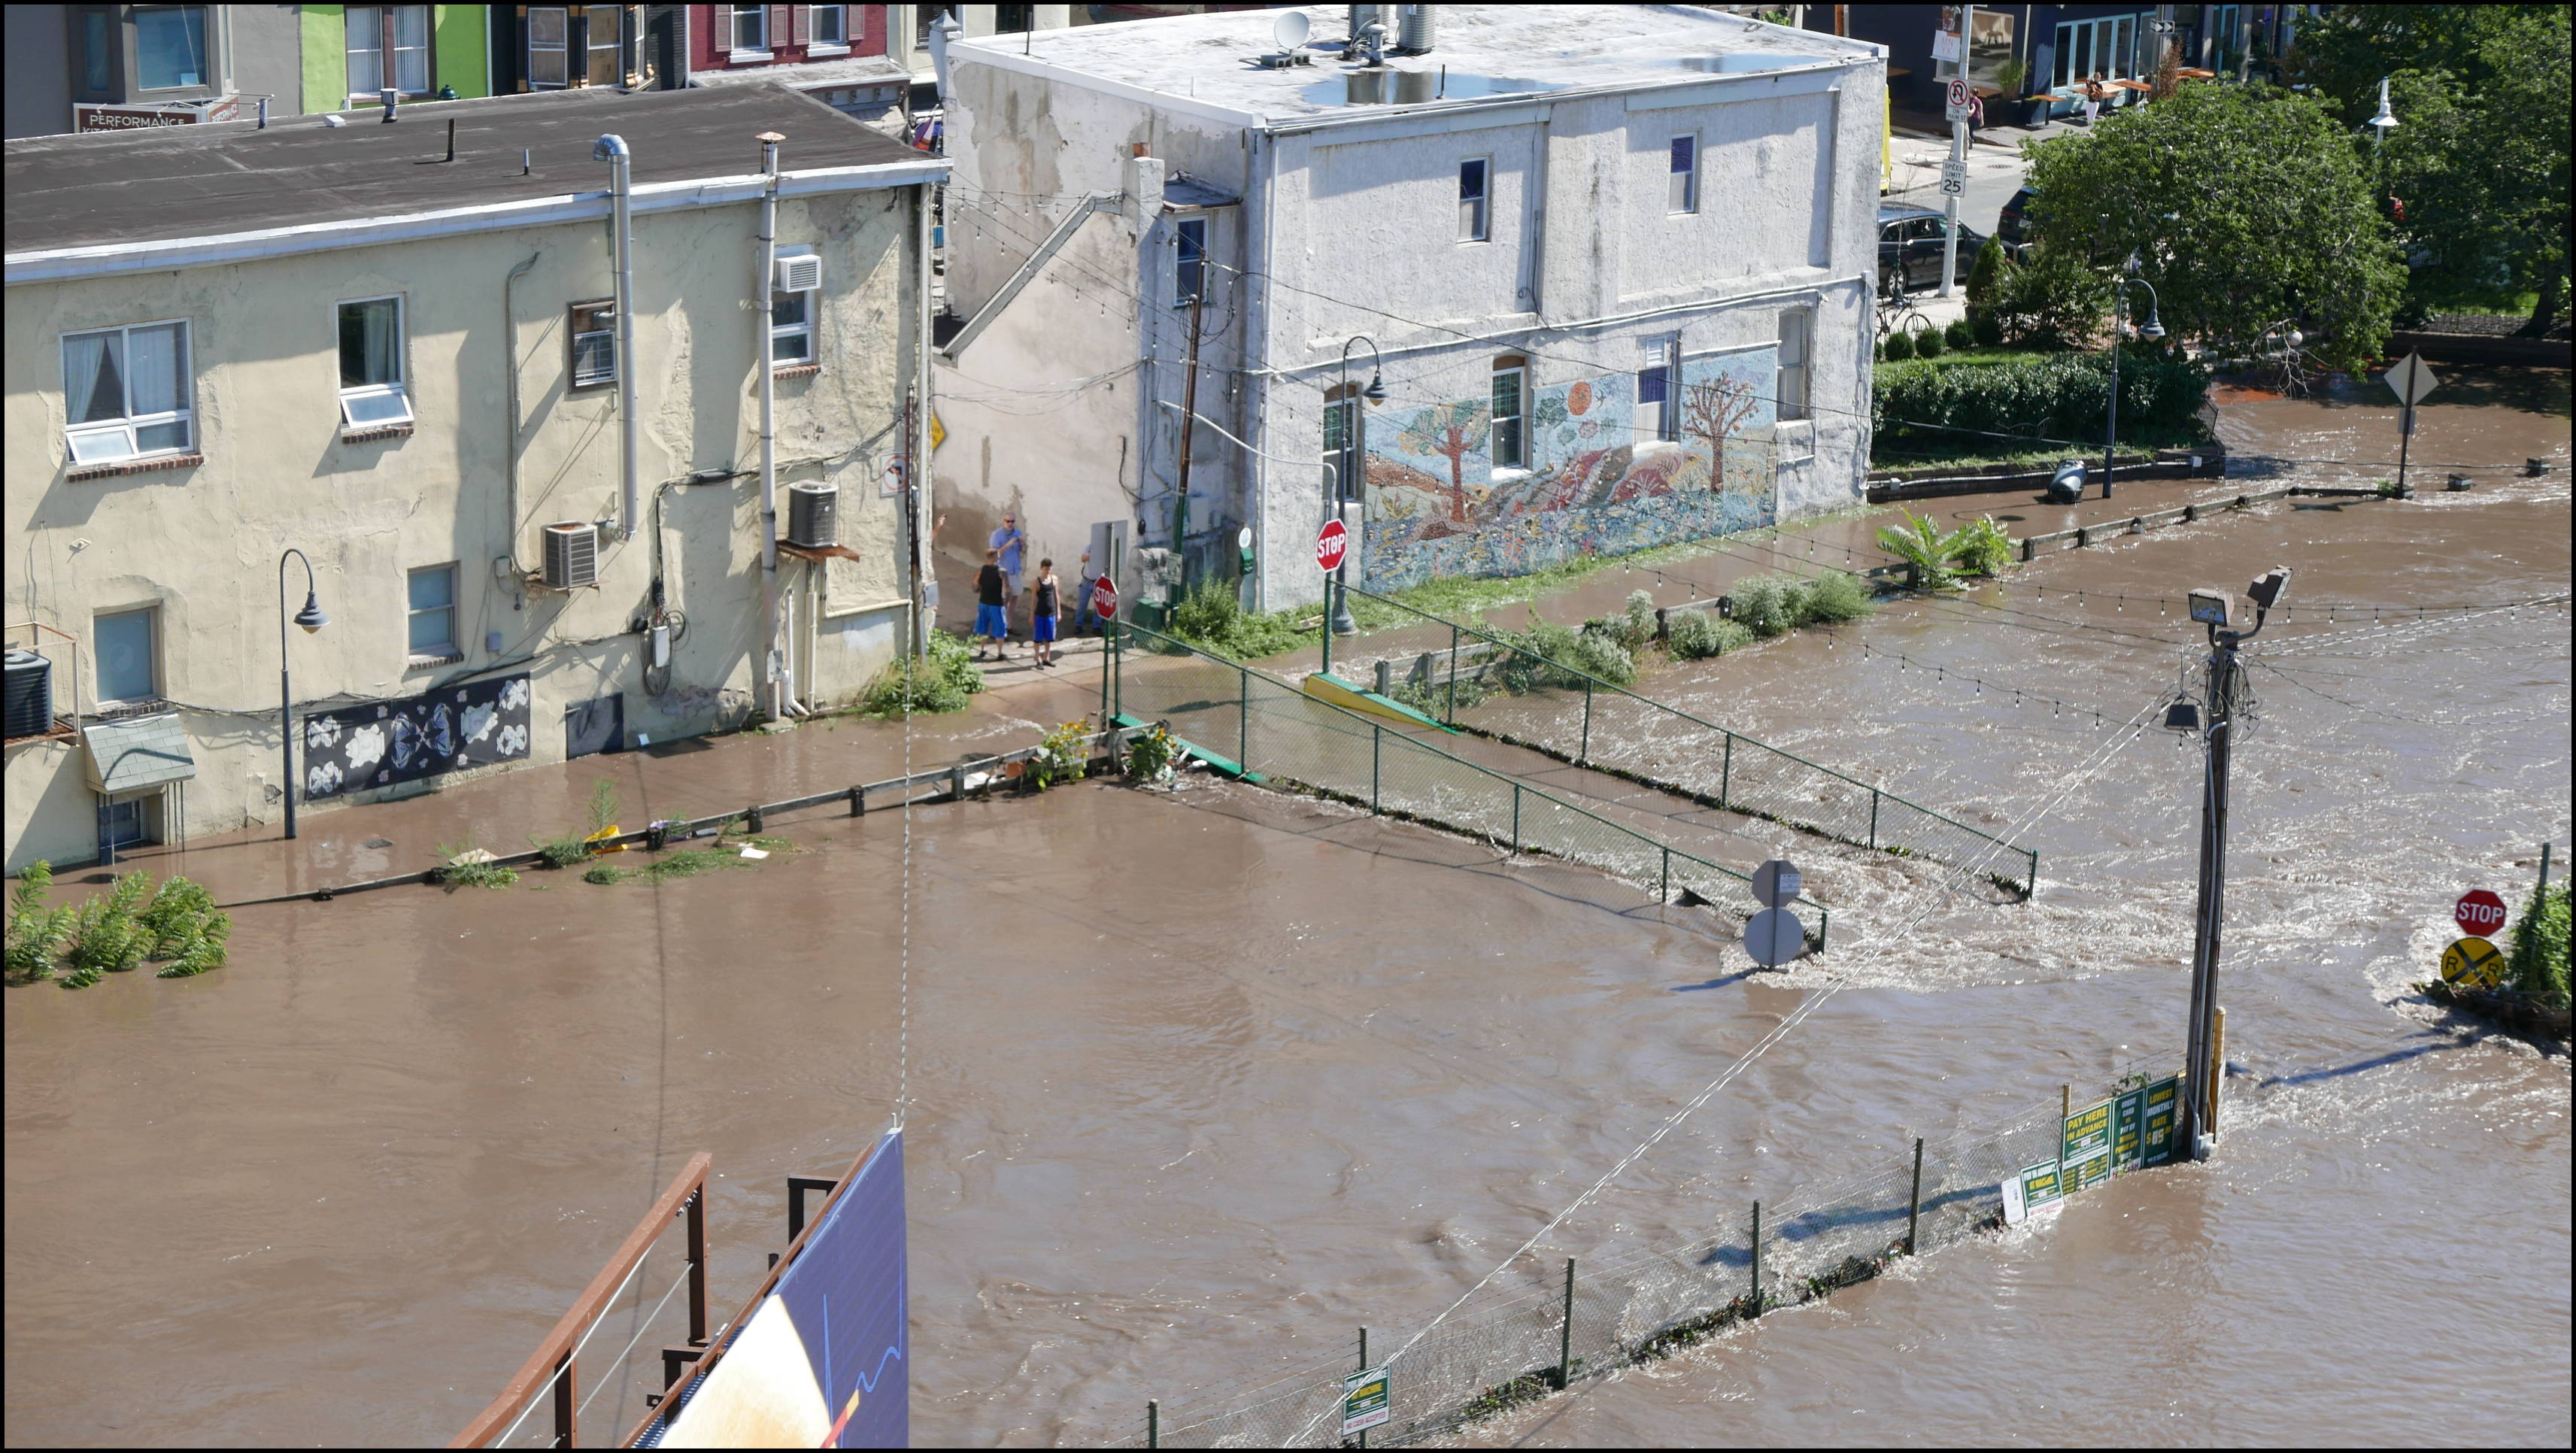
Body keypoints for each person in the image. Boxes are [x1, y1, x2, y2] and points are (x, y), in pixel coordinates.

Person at [972, 548, 1011, 660]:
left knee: (982, 628)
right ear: (995, 556)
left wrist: (981, 589)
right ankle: (1000, 653)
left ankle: (982, 650)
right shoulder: (1002, 571)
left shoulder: (981, 570)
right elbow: (1007, 588)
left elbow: (975, 585)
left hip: (983, 602)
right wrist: (1006, 601)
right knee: (999, 629)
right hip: (996, 604)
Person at [989, 512, 1027, 620]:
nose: (1010, 524)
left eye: (1012, 521)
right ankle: (1001, 627)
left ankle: (1009, 625)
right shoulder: (996, 535)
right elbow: (994, 555)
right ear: (1003, 521)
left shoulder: (1017, 533)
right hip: (1003, 573)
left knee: (1014, 598)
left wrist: (1024, 544)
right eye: (1007, 521)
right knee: (1003, 600)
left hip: (1016, 571)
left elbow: (1023, 551)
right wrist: (1008, 545)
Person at [1029, 558, 1063, 669]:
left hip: (1051, 613)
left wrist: (1058, 612)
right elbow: (1033, 599)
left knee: (1049, 638)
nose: (1048, 570)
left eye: (1049, 568)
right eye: (1046, 568)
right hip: (1040, 613)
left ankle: (1046, 658)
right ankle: (1038, 659)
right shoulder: (1036, 582)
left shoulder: (1055, 579)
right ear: (1041, 568)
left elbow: (1056, 595)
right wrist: (1031, 615)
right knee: (1038, 638)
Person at [1073, 551, 1100, 635]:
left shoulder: (1105, 547)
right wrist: (1093, 555)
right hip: (1087, 580)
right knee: (1082, 604)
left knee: (1099, 606)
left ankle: (1097, 626)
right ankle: (1078, 625)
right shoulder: (1090, 547)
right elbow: (1083, 558)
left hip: (1099, 581)